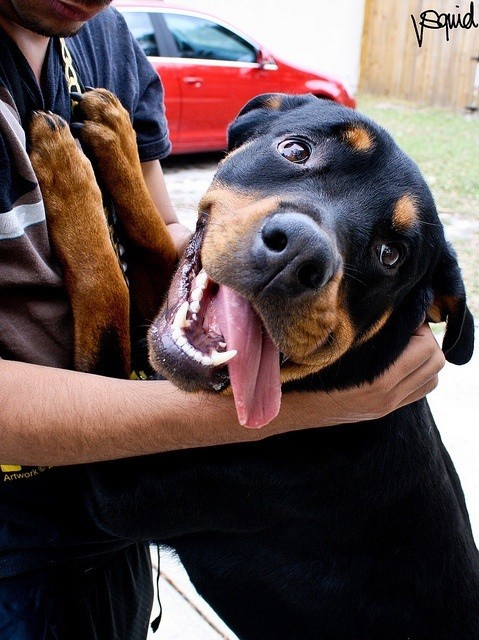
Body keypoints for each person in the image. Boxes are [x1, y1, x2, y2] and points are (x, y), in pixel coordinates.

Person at [0, 1, 446, 638]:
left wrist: (110, 225)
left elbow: (110, 487)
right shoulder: (354, 402)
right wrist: (320, 405)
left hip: (98, 548)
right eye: (296, 152)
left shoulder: (103, 39)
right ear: (255, 125)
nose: (305, 243)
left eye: (386, 251)